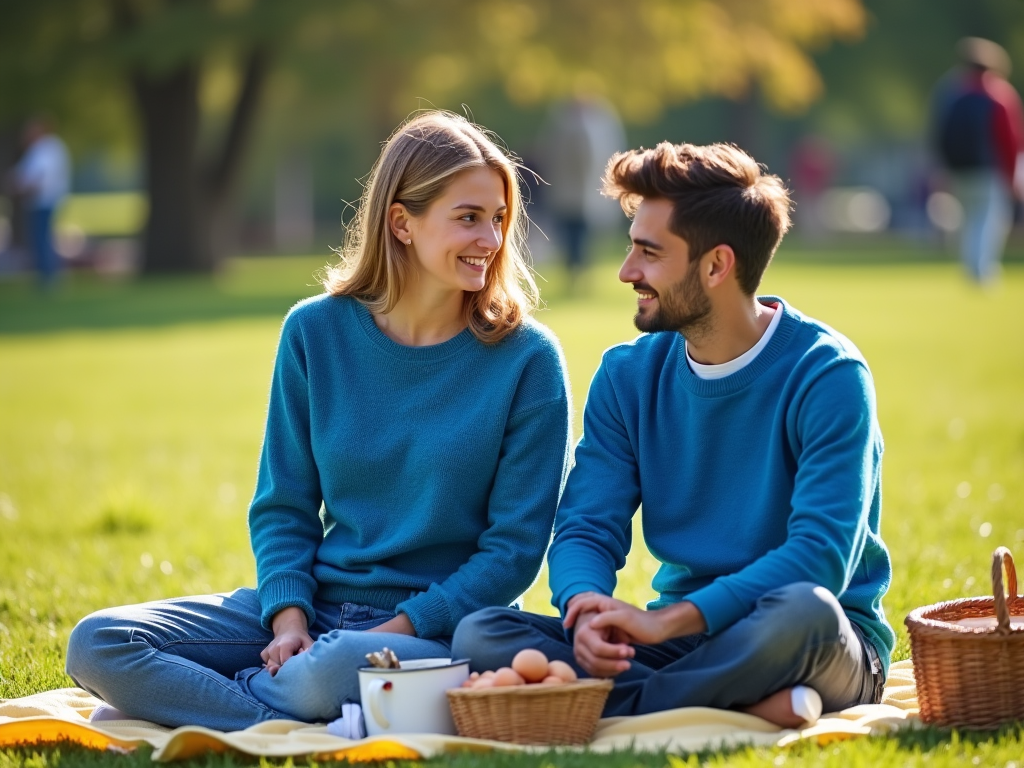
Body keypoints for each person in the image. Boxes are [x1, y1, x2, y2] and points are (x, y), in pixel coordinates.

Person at [65, 111, 573, 731]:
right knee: (98, 643)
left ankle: (233, 700)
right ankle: (308, 709)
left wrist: (399, 626)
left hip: (437, 628)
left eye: (498, 219)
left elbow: (513, 552)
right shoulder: (314, 332)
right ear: (401, 223)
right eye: (468, 218)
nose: (491, 240)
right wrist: (287, 621)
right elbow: (284, 505)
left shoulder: (527, 359)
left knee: (331, 672)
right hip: (317, 607)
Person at [454, 142, 894, 729]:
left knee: (804, 613)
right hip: (687, 642)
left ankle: (631, 708)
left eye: (648, 252)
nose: (626, 270)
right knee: (483, 631)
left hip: (815, 640)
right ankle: (729, 702)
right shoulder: (628, 376)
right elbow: (587, 522)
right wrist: (585, 608)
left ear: (716, 266)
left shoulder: (828, 376)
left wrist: (669, 621)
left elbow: (817, 559)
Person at [931, 37, 1024, 283]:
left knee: (970, 220)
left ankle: (972, 268)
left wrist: (943, 169)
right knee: (988, 220)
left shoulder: (951, 93)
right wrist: (1013, 174)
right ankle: (981, 273)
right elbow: (1009, 140)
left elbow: (939, 134)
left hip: (959, 170)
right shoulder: (1000, 94)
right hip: (988, 169)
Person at [11, 117, 70, 288]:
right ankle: (45, 276)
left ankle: (49, 278)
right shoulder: (38, 149)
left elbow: (38, 178)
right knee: (40, 239)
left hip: (45, 200)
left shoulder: (48, 148)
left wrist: (20, 187)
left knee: (42, 239)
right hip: (38, 202)